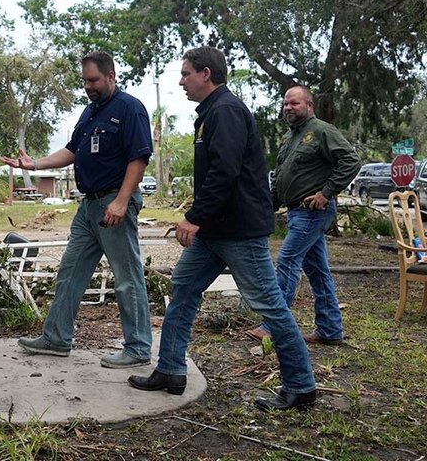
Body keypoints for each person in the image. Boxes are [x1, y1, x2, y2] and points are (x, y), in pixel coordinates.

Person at [128, 46, 317, 411]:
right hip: (214, 233)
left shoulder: (226, 111)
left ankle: (301, 386)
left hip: (239, 231)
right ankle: (170, 370)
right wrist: (202, 220)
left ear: (206, 74)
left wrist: (194, 216)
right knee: (182, 289)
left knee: (270, 306)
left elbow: (224, 172)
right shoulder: (210, 113)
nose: (181, 81)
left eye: (185, 74)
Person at [2, 50, 154, 369]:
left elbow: (138, 159)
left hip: (114, 202)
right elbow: (72, 150)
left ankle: (138, 347)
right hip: (89, 207)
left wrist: (122, 201)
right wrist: (36, 163)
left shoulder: (130, 108)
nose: (89, 86)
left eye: (94, 80)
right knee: (70, 272)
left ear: (111, 76)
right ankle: (56, 338)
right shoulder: (90, 112)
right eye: (85, 81)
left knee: (126, 277)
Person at [246, 86, 361, 344]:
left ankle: (273, 325)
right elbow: (281, 176)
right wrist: (268, 205)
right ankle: (330, 329)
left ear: (309, 106)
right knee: (318, 271)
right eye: (286, 104)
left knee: (286, 261)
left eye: (294, 104)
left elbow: (351, 162)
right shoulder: (290, 138)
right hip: (296, 212)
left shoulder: (322, 131)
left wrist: (325, 193)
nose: (288, 108)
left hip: (313, 211)